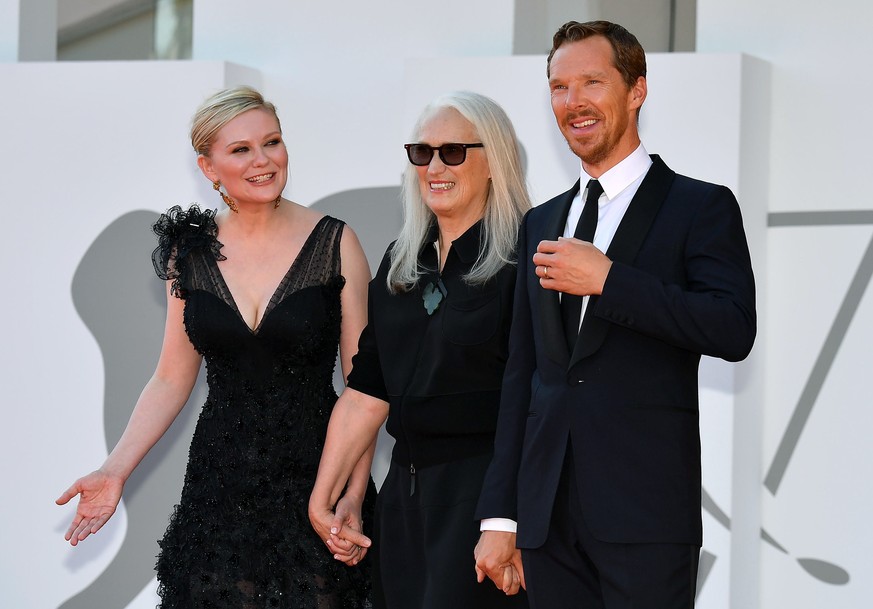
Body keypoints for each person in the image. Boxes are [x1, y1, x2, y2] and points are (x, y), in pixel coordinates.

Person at [56, 86, 376, 609]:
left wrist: (352, 497)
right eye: (241, 149)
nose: (263, 160)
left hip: (319, 481)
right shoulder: (190, 252)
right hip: (220, 489)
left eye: (272, 142)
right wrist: (114, 469)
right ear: (208, 167)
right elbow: (170, 378)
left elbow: (364, 385)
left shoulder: (335, 241)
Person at [473, 20, 757, 609]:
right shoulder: (540, 223)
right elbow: (522, 376)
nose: (572, 102)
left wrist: (610, 282)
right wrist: (501, 514)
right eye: (558, 87)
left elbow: (732, 328)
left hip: (646, 516)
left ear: (637, 90)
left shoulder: (699, 206)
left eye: (591, 82)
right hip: (547, 520)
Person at [308, 91, 531, 609]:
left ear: (494, 161)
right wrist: (330, 495)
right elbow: (367, 391)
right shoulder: (400, 261)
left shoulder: (526, 260)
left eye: (453, 152)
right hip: (403, 505)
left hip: (483, 499)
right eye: (421, 152)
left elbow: (539, 402)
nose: (434, 166)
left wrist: (508, 520)